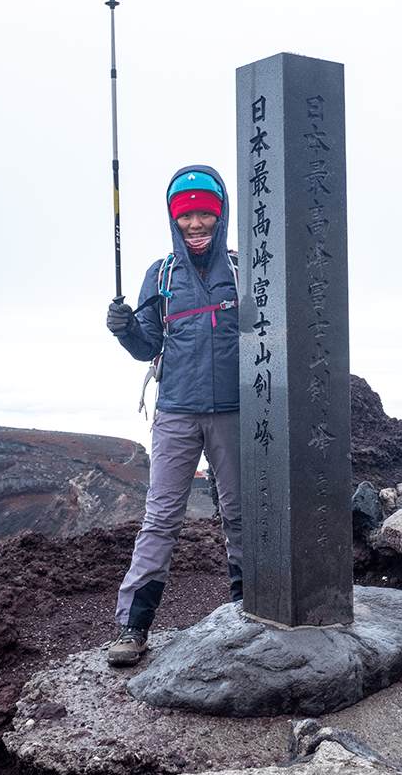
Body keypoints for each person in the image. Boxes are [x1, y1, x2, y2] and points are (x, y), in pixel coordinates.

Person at [105, 166, 241, 666]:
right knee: (160, 518)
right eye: (187, 215)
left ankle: (248, 610)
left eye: (206, 212)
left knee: (242, 515)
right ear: (174, 218)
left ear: (221, 213)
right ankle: (133, 626)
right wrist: (124, 329)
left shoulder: (244, 268)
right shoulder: (160, 275)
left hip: (235, 413)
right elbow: (147, 347)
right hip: (177, 415)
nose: (197, 223)